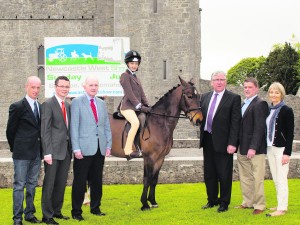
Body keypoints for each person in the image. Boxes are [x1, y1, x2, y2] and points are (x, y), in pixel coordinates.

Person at [70, 76, 112, 221]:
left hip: (99, 148)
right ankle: (76, 211)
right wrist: (76, 148)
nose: (94, 87)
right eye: (91, 85)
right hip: (83, 149)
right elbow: (74, 127)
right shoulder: (76, 102)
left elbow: (105, 125)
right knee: (80, 181)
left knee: (97, 180)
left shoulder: (101, 103)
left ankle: (96, 208)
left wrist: (108, 145)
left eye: (96, 85)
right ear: (84, 86)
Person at [199, 71, 241, 213]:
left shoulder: (234, 98)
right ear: (211, 82)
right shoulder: (204, 97)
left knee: (224, 174)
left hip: (224, 143)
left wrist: (233, 143)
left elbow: (236, 123)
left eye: (222, 79)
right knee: (209, 173)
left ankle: (224, 202)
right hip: (207, 139)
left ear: (226, 81)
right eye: (216, 79)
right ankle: (212, 200)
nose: (219, 82)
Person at [6, 76, 42, 225]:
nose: (35, 90)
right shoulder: (17, 106)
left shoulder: (40, 106)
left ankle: (29, 214)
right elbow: (10, 130)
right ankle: (17, 218)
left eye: (38, 87)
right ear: (26, 87)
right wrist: (16, 148)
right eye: (33, 87)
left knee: (32, 184)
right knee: (19, 185)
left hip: (36, 153)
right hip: (21, 154)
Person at [40, 76, 72, 224]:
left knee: (60, 183)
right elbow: (45, 130)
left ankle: (57, 211)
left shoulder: (68, 105)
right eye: (62, 86)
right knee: (50, 184)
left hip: (65, 151)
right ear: (55, 87)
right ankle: (47, 215)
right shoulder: (48, 104)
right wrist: (46, 152)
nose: (64, 89)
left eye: (67, 86)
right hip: (52, 152)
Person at [235, 77, 269, 215]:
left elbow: (259, 128)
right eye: (245, 87)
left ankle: (260, 205)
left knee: (257, 177)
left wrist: (253, 147)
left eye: (250, 87)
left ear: (256, 88)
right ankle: (248, 202)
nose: (247, 89)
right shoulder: (243, 104)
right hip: (242, 147)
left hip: (255, 149)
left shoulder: (260, 104)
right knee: (245, 177)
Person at [265, 82, 294, 217]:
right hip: (270, 148)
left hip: (281, 149)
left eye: (276, 92)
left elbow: (290, 133)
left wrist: (287, 153)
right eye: (271, 92)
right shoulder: (269, 110)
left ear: (281, 94)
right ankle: (279, 204)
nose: (273, 95)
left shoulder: (287, 110)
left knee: (282, 178)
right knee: (276, 178)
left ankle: (282, 208)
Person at [119, 50, 151, 159]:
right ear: (128, 64)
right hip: (127, 107)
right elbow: (130, 94)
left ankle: (142, 146)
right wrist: (139, 106)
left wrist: (148, 106)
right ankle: (128, 150)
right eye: (132, 63)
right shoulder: (124, 76)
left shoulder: (136, 77)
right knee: (135, 123)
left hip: (137, 107)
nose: (134, 65)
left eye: (136, 64)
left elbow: (142, 94)